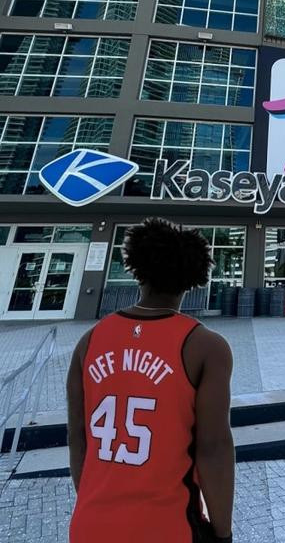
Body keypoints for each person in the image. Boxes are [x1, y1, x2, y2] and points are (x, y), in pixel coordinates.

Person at [67, 217, 234, 543]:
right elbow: (214, 448)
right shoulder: (205, 347)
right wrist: (223, 532)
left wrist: (95, 504)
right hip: (167, 527)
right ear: (192, 280)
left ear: (137, 271)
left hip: (90, 525)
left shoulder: (88, 342)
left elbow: (78, 437)